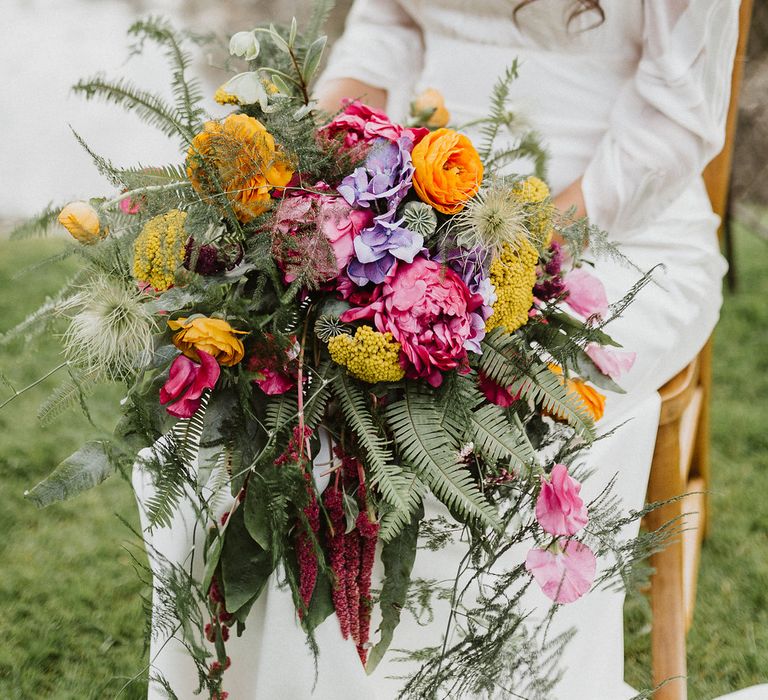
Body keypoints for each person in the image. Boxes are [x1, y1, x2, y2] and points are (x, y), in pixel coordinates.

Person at [134, 1, 747, 697]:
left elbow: (672, 121)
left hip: (610, 231)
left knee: (475, 424)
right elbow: (387, 30)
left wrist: (512, 260)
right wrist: (298, 170)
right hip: (411, 206)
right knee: (280, 386)